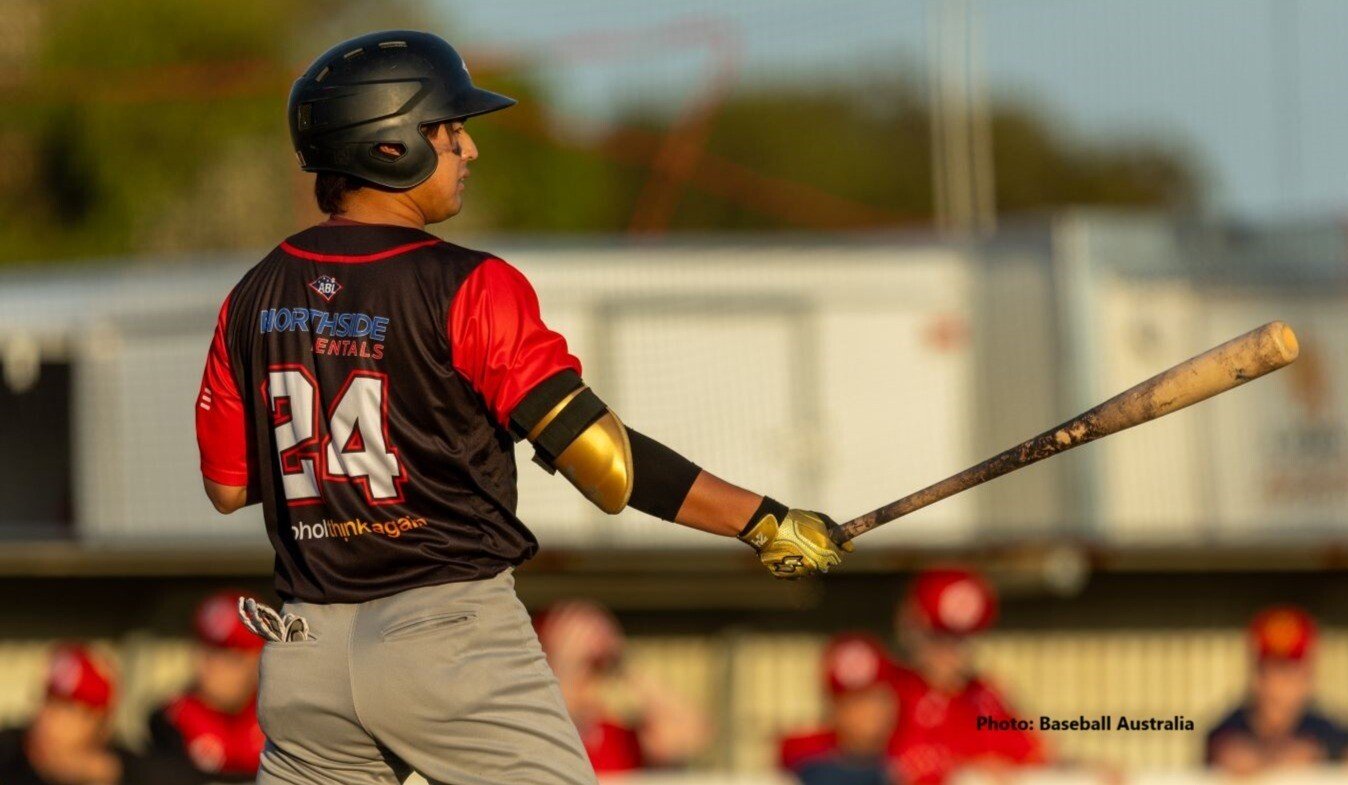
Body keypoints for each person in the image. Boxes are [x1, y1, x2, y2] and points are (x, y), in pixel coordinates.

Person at [193, 30, 849, 785]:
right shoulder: (468, 284)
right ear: (390, 145)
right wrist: (764, 520)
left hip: (305, 653)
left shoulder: (251, 294)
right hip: (450, 643)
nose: (468, 150)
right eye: (451, 130)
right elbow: (603, 464)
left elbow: (228, 486)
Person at [1206, 605, 1348, 774]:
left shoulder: (1322, 729)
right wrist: (1274, 761)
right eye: (1275, 669)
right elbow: (1229, 753)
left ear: (1309, 675)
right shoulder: (1229, 728)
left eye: (1293, 670)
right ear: (1257, 674)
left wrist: (1326, 756)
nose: (1282, 683)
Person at [886, 568, 1046, 784]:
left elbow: (1034, 754)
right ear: (912, 629)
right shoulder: (890, 692)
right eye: (938, 638)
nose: (950, 653)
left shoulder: (984, 697)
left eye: (960, 640)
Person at [533, 600, 710, 775]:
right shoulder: (539, 724)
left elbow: (688, 734)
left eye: (592, 668)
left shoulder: (617, 736)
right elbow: (549, 719)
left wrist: (622, 663)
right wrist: (565, 665)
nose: (586, 680)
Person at [147, 592, 266, 783]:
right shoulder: (170, 721)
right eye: (207, 652)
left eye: (230, 658)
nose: (209, 669)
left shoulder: (277, 721)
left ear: (258, 660)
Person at [0, 644, 141, 785]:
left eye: (66, 708)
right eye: (47, 701)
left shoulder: (129, 769)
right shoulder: (10, 751)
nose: (45, 715)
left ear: (97, 721)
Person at [778, 634, 899, 785]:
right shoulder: (807, 763)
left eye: (875, 698)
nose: (869, 712)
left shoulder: (914, 752)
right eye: (853, 702)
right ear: (835, 709)